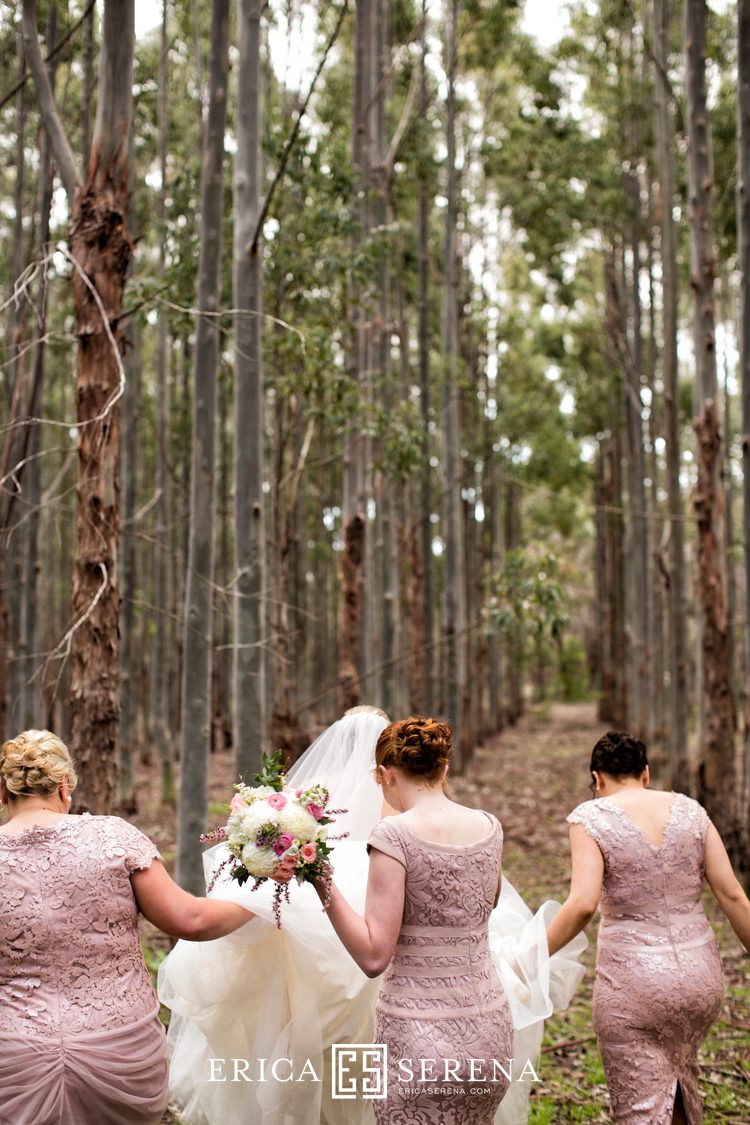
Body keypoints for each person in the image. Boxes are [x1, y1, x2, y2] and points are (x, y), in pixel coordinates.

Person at [277, 715, 584, 1125]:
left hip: (418, 1036)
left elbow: (373, 957)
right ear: (444, 768)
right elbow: (485, 906)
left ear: (385, 775)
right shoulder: (489, 827)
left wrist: (321, 882)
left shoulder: (392, 836)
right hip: (488, 1029)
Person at [0, 728, 253, 1125]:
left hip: (13, 1055)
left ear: (3, 793)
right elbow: (190, 919)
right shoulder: (113, 836)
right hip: (120, 1051)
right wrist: (256, 901)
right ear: (65, 788)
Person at [158, 705, 392, 1125]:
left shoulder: (314, 792)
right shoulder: (393, 797)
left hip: (310, 915)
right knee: (360, 1040)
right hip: (357, 916)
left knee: (293, 1020)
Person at [546, 730, 750, 1125]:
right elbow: (732, 896)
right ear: (646, 773)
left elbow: (583, 903)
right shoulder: (691, 810)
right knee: (678, 1081)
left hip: (635, 985)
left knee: (638, 1107)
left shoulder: (590, 817)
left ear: (597, 779)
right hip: (700, 980)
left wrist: (533, 953)